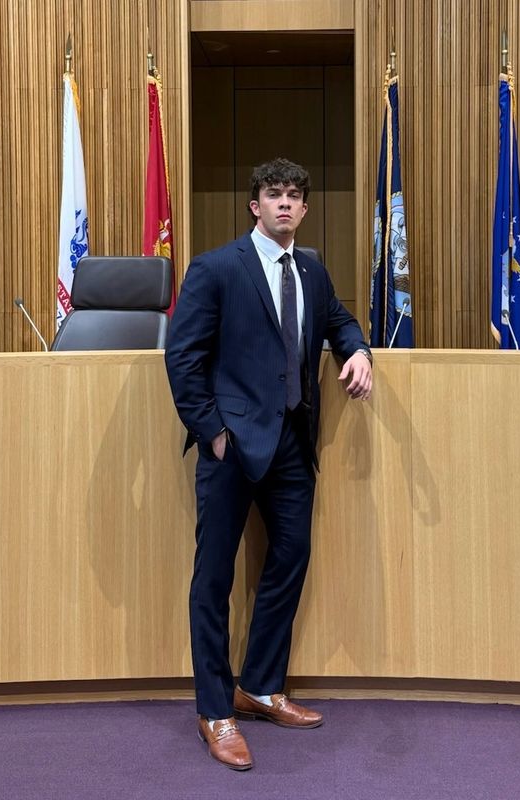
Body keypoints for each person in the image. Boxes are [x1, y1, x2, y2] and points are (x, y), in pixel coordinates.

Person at [165, 158, 372, 771]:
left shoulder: (310, 269)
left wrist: (358, 350)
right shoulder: (215, 268)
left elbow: (338, 321)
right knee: (215, 579)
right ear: (254, 206)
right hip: (230, 447)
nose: (284, 204)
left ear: (304, 210)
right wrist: (212, 432)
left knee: (290, 558)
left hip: (290, 445)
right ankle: (213, 709)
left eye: (294, 196)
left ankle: (257, 686)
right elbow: (184, 358)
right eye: (272, 194)